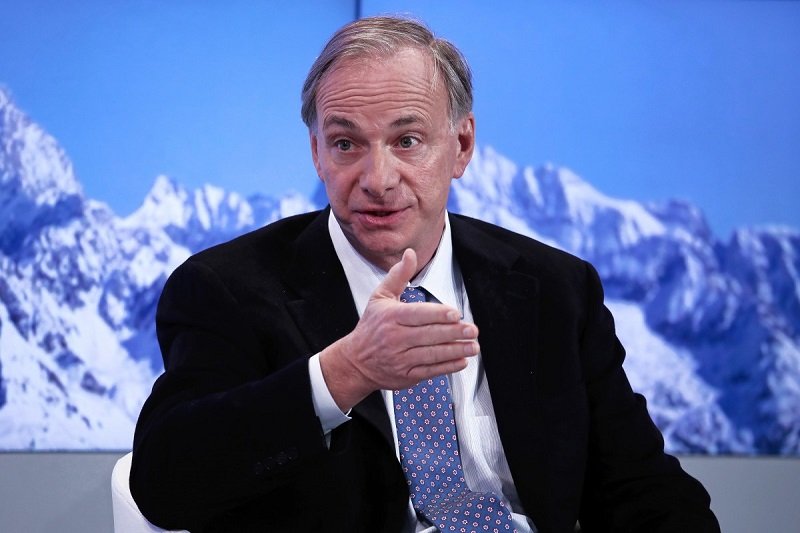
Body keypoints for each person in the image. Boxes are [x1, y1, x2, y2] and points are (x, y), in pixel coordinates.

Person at [130, 15, 720, 533]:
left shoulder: (556, 289)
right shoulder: (226, 289)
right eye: (345, 144)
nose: (377, 178)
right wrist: (345, 373)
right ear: (316, 154)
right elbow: (164, 484)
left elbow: (643, 489)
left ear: (461, 146)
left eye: (407, 140)